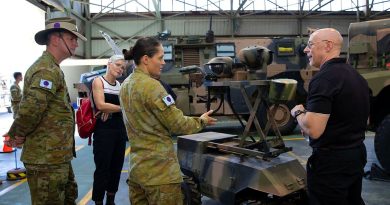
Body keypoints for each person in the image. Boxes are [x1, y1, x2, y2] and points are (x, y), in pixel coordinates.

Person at [120, 37, 217, 205]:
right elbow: (178, 124)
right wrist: (201, 121)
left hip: (137, 172)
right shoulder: (152, 86)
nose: (163, 62)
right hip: (160, 174)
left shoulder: (126, 85)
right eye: (160, 58)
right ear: (145, 59)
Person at [3, 17, 87, 204]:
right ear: (56, 39)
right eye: (72, 38)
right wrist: (17, 134)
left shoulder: (52, 68)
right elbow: (31, 109)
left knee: (67, 198)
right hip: (46, 159)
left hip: (55, 156)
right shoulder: (46, 70)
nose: (76, 43)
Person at [291, 28, 369, 205]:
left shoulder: (324, 79)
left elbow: (314, 129)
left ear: (328, 46)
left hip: (332, 164)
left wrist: (298, 113)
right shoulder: (356, 76)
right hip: (355, 154)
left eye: (310, 45)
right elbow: (363, 119)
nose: (305, 50)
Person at [91, 54, 127, 205]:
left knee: (116, 167)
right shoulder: (98, 81)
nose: (121, 69)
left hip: (119, 129)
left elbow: (108, 106)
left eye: (123, 67)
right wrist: (122, 108)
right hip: (104, 130)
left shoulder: (120, 86)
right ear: (109, 64)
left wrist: (111, 108)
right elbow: (100, 105)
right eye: (118, 65)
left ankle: (110, 200)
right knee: (102, 167)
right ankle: (99, 201)